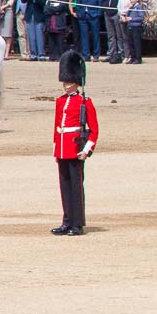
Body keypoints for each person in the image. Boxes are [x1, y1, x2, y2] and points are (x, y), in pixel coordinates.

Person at [50, 50, 97, 236]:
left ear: (77, 82)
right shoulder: (60, 102)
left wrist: (86, 150)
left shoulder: (85, 102)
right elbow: (56, 126)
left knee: (76, 188)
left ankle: (77, 224)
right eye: (64, 82)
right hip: (62, 148)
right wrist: (56, 149)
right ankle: (67, 221)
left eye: (69, 82)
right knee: (65, 186)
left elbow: (93, 130)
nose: (66, 85)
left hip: (75, 147)